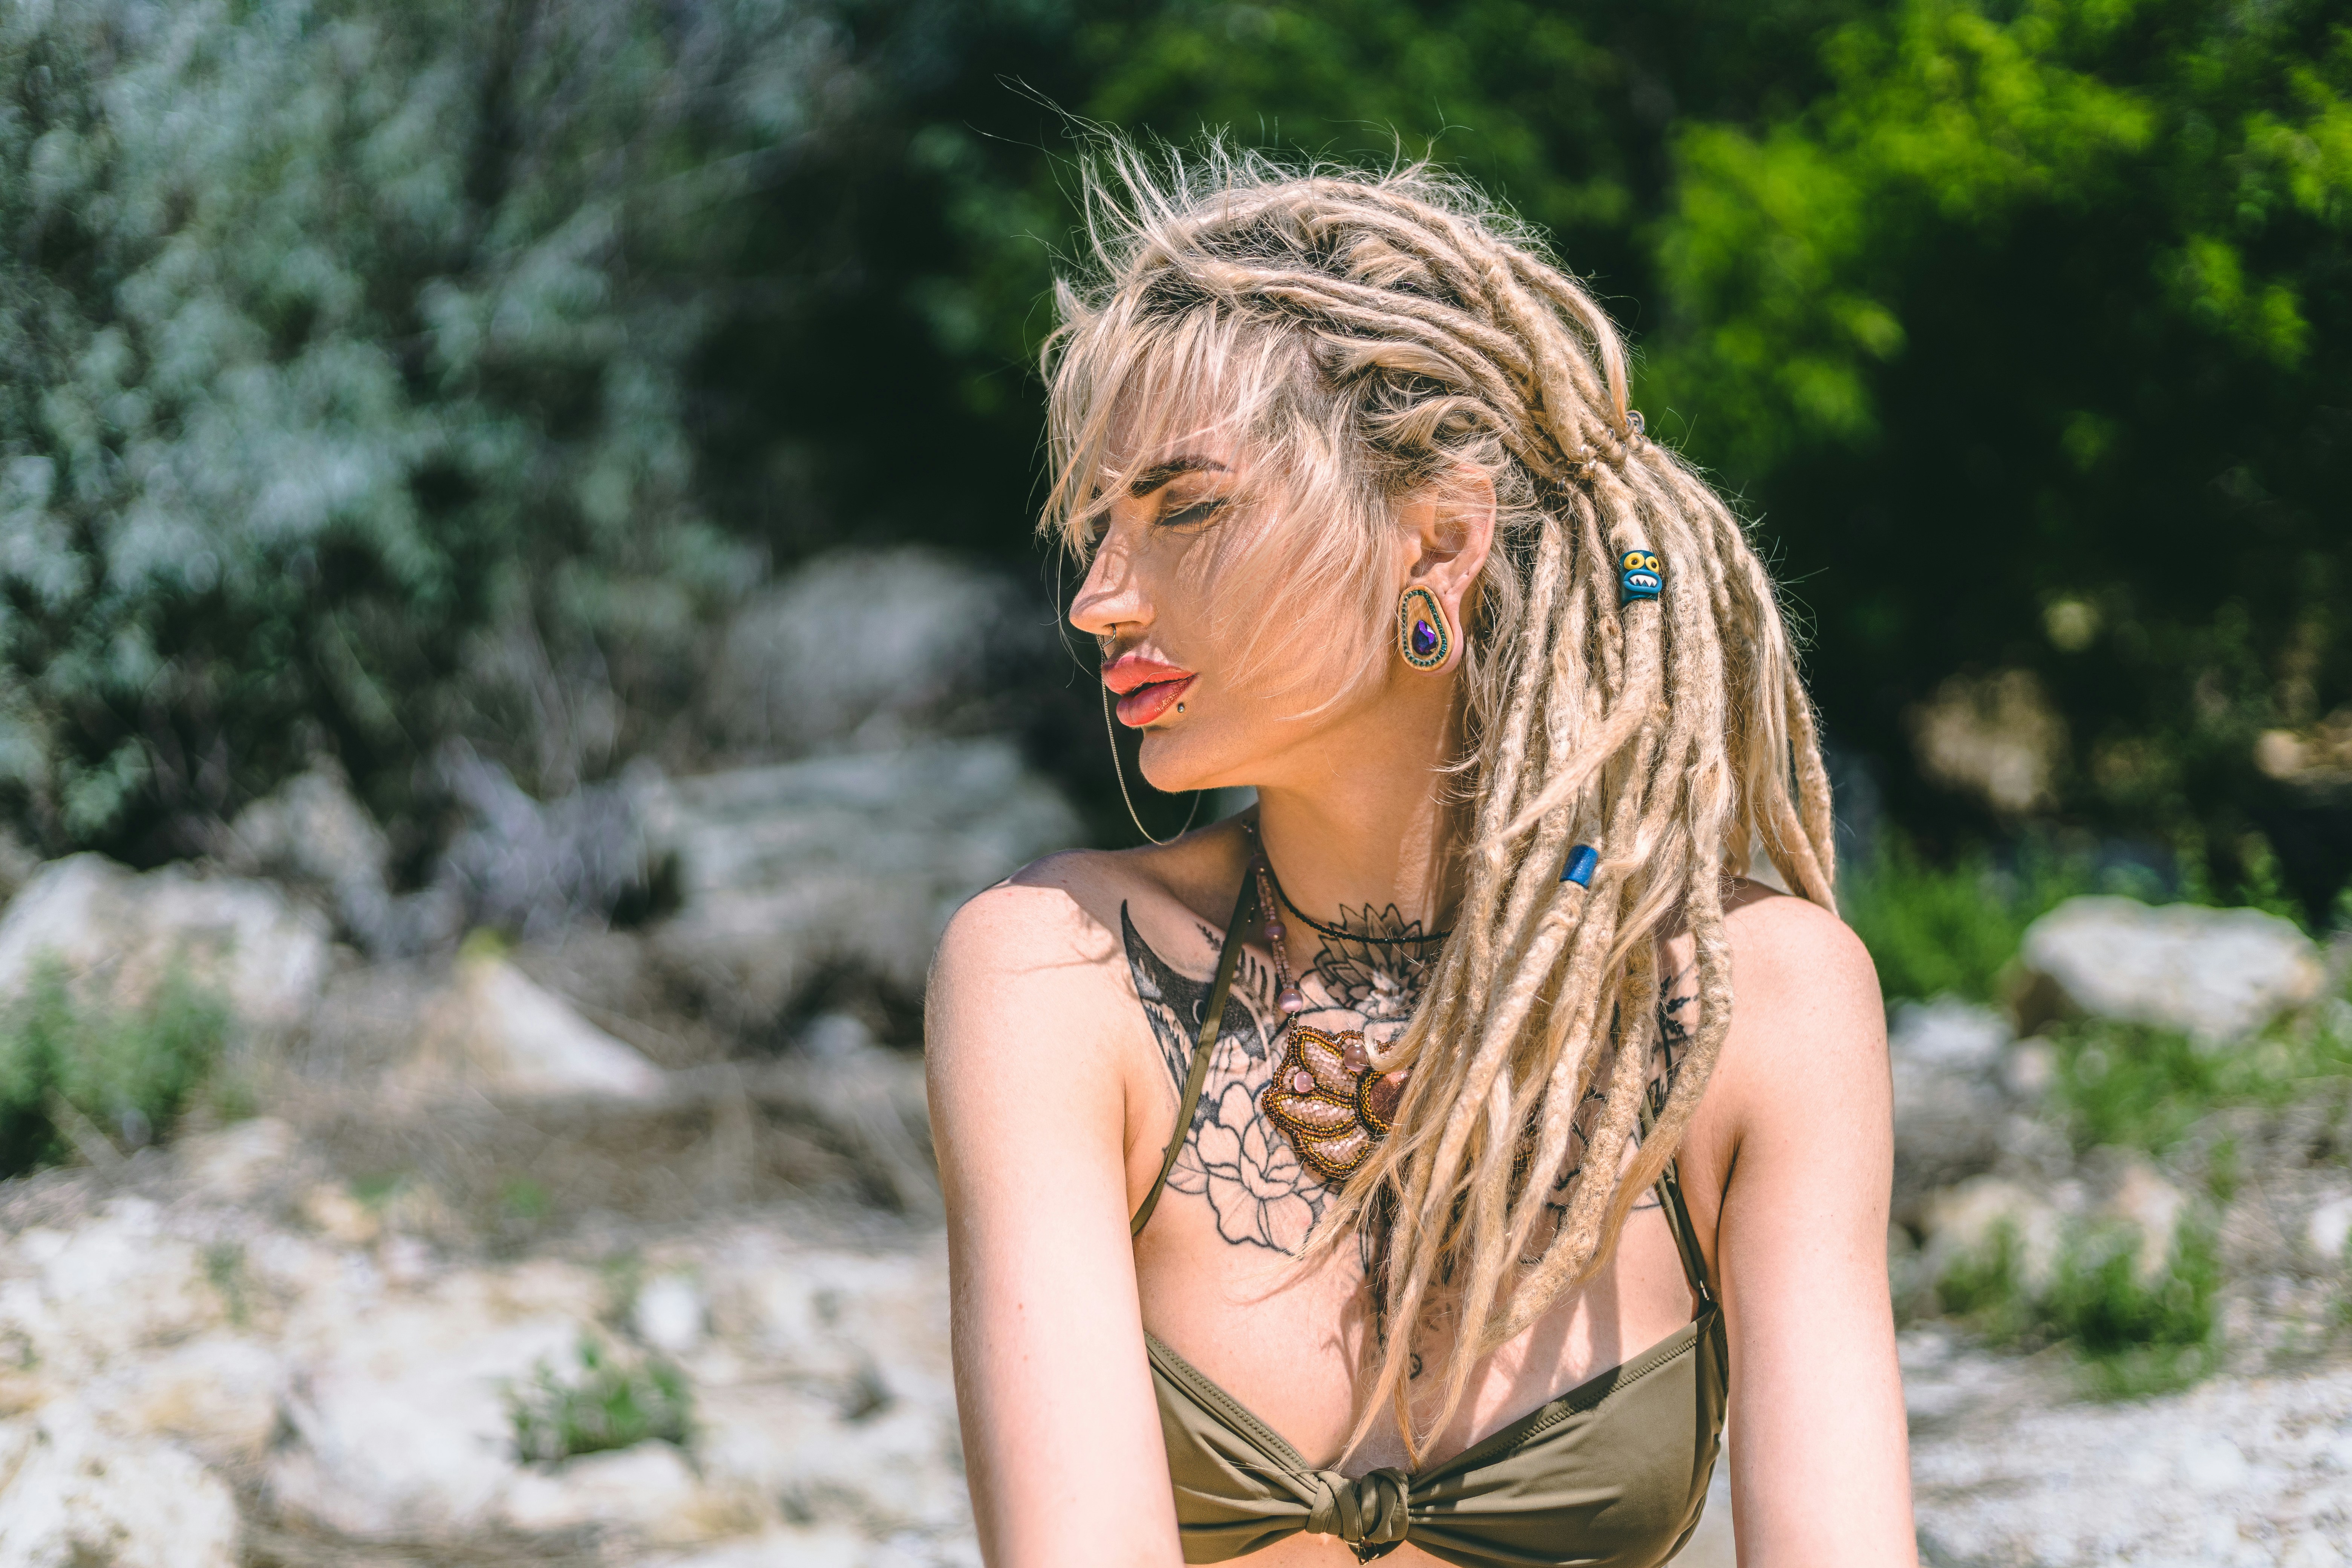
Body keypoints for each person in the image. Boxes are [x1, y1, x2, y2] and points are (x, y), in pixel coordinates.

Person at [926, 144, 1914, 1568]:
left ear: (1438, 540)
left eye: (1185, 507)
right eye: (1099, 528)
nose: (1099, 601)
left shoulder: (1757, 1005)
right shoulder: (1055, 975)